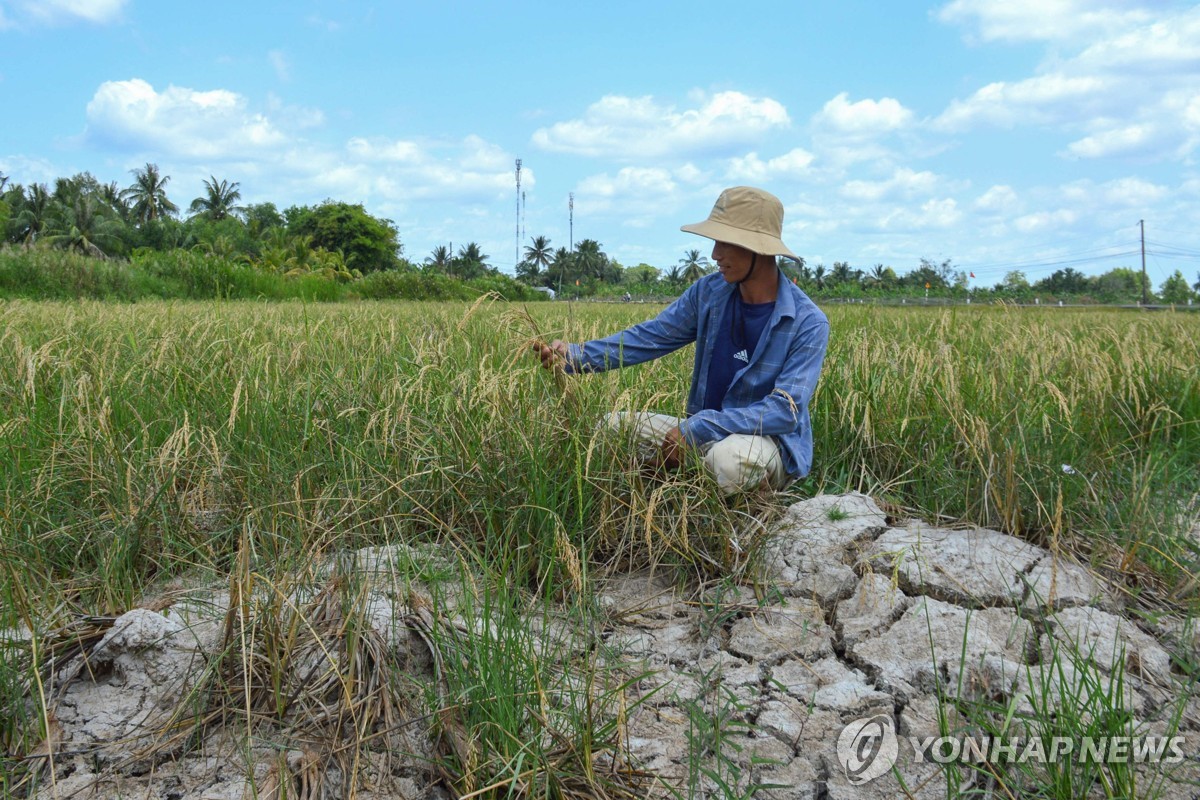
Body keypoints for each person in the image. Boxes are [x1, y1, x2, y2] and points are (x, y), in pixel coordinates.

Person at [534, 186, 829, 494]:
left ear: (759, 249)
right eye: (716, 242)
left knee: (728, 461)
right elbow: (650, 337)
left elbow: (784, 411)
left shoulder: (807, 322)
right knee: (610, 429)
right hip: (702, 435)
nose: (716, 254)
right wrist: (577, 356)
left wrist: (698, 427)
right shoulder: (708, 293)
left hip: (764, 443)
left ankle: (752, 501)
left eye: (727, 243)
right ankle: (678, 487)